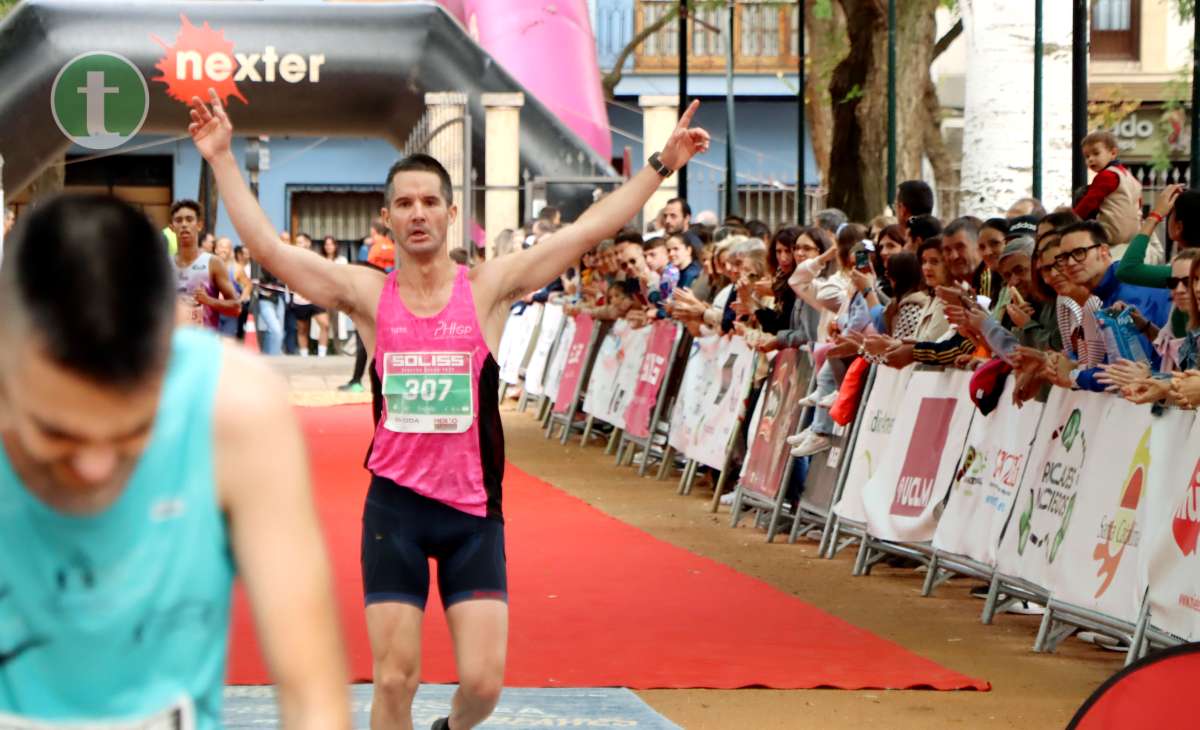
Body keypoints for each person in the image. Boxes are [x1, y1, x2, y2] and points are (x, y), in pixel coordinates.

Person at [188, 88, 709, 730]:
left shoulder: (487, 289)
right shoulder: (366, 293)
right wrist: (220, 158)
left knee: (485, 686)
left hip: (473, 515)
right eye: (404, 203)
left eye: (430, 202)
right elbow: (269, 249)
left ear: (450, 213)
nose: (417, 213)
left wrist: (661, 165)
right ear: (387, 218)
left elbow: (589, 230)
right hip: (395, 511)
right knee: (393, 679)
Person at [0, 195, 348, 728]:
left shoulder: (232, 409)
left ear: (171, 348)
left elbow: (312, 697)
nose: (95, 467)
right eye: (57, 433)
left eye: (134, 432)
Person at [170, 200, 240, 329]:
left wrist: (208, 301)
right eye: (178, 220)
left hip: (203, 344)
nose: (184, 224)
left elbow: (236, 308)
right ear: (172, 227)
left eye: (189, 219)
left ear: (199, 225)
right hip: (173, 344)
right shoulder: (165, 265)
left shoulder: (213, 263)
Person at [1072, 130, 1142, 257]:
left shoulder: (1106, 176)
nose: (1091, 159)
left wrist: (1072, 218)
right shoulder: (1130, 178)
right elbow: (1138, 202)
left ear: (1113, 153)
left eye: (1096, 153)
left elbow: (1090, 201)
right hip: (1133, 235)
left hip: (1109, 232)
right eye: (1087, 156)